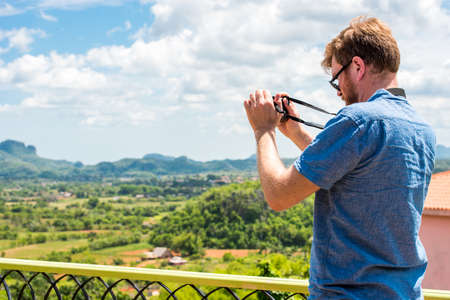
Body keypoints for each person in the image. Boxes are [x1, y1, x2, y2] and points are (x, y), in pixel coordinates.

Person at [243, 16, 436, 299]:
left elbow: (279, 195)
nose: (339, 92)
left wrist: (264, 130)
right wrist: (297, 132)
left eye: (337, 79)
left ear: (357, 66)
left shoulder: (358, 120)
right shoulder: (421, 129)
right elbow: (353, 171)